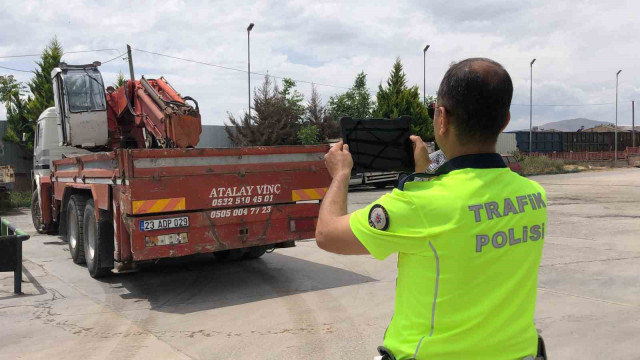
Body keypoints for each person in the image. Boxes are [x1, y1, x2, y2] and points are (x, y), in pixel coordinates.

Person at [315, 58, 547, 360]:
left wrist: (341, 175)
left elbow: (327, 234)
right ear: (505, 120)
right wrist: (424, 173)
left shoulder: (419, 203)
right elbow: (465, 224)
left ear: (441, 118)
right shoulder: (534, 196)